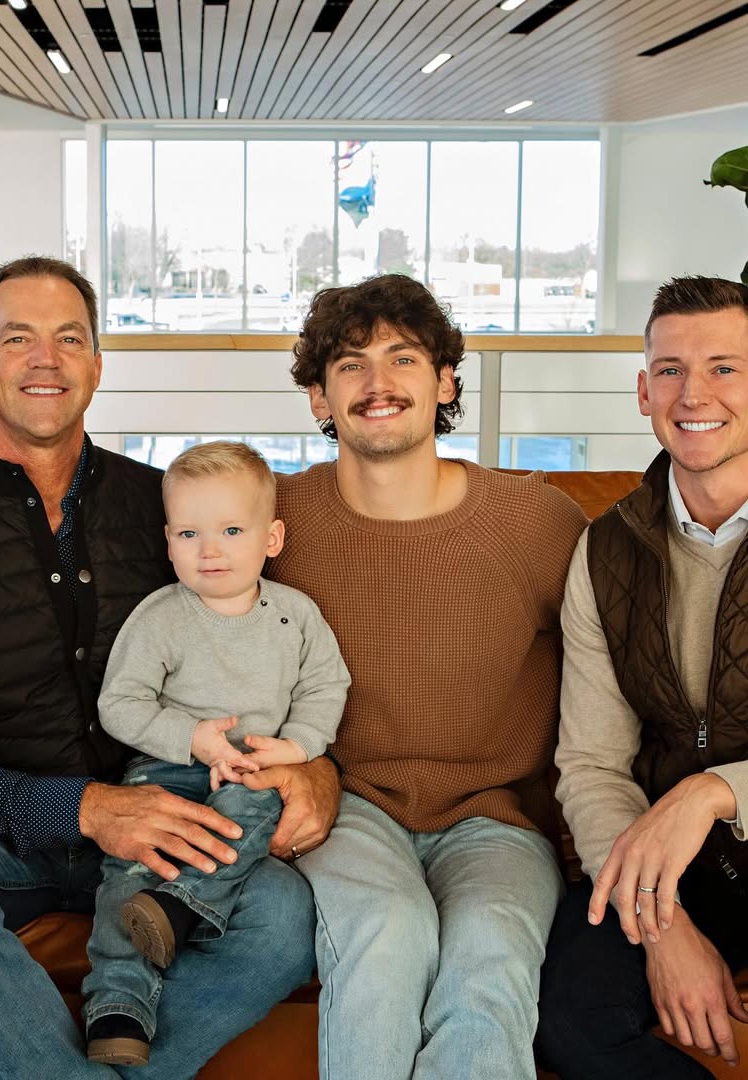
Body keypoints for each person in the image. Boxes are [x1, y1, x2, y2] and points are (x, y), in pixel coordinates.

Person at [0, 256, 330, 1080]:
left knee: (288, 915)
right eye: (18, 339)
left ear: (97, 366)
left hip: (172, 832)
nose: (46, 360)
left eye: (69, 338)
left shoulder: (171, 513)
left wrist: (318, 768)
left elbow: (275, 650)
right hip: (4, 839)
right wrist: (83, 807)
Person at [262, 272, 588, 1079]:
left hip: (497, 818)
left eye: (402, 359)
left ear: (444, 381)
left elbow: (608, 678)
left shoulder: (536, 521)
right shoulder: (274, 521)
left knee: (491, 953)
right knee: (388, 928)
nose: (378, 384)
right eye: (349, 364)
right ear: (317, 397)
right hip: (350, 804)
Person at [536, 276, 748, 1078]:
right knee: (567, 1020)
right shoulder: (607, 549)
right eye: (669, 370)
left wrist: (710, 793)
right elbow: (591, 763)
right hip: (668, 865)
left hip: (701, 825)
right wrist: (661, 925)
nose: (693, 393)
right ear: (642, 390)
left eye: (725, 367)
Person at [82, 440, 350, 1065]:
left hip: (259, 772)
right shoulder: (160, 618)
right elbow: (119, 705)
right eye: (190, 533)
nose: (211, 550)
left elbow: (325, 685)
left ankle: (179, 909)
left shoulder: (295, 616)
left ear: (272, 538)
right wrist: (191, 738)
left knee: (243, 816)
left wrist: (299, 747)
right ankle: (118, 1007)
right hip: (170, 772)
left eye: (232, 530)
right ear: (168, 541)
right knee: (130, 874)